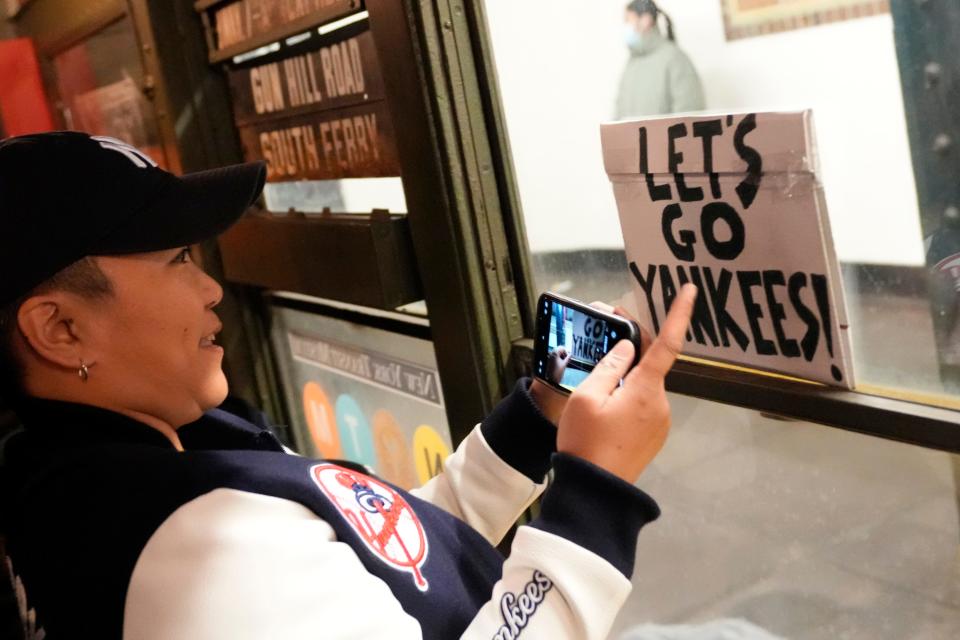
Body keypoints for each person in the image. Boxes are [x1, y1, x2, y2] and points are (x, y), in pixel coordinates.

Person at [0, 131, 697, 639]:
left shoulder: (108, 466)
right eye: (178, 259)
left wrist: (537, 418)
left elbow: (388, 559)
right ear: (60, 330)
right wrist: (593, 496)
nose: (212, 288)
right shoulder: (199, 554)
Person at [614, 0, 706, 119]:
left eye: (627, 20)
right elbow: (619, 109)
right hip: (630, 138)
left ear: (645, 20)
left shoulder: (675, 58)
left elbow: (689, 113)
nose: (625, 26)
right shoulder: (631, 62)